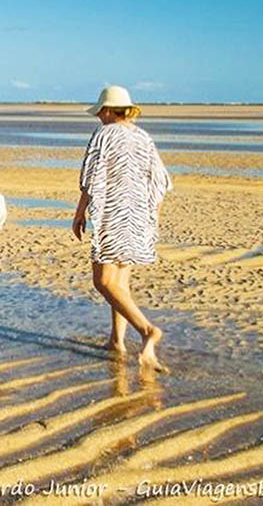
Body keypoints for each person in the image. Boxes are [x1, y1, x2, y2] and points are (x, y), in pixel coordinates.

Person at [72, 85, 172, 371]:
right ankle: (117, 340)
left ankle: (147, 331)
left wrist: (80, 213)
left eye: (100, 112)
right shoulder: (143, 137)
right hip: (139, 214)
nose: (98, 117)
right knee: (121, 283)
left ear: (106, 110)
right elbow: (160, 181)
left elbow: (90, 178)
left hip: (113, 213)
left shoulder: (103, 135)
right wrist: (151, 215)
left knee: (103, 281)